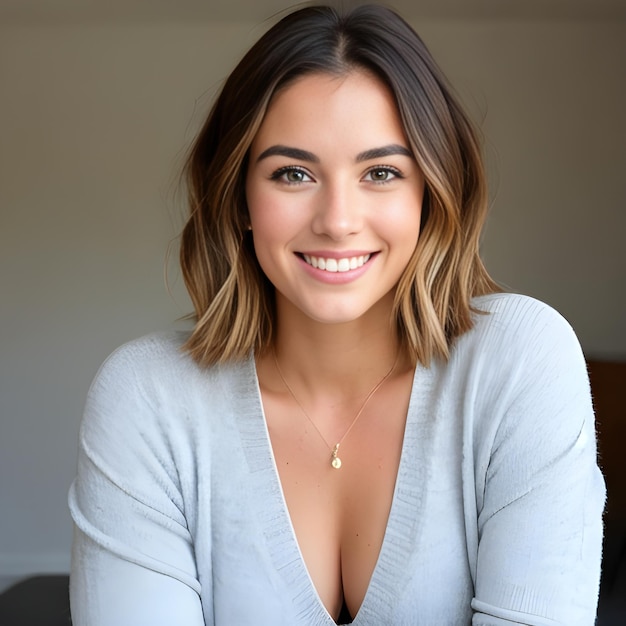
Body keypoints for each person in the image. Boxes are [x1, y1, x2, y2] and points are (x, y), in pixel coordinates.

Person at [68, 4, 605, 625]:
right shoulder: (146, 398)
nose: (338, 220)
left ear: (430, 193)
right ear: (238, 196)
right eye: (293, 173)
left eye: (380, 172)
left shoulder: (520, 361)